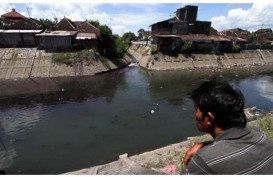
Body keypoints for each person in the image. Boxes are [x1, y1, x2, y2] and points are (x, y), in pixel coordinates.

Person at [183, 77, 273, 174]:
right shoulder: (260, 135)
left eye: (196, 110)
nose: (195, 114)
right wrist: (205, 144)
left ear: (209, 118)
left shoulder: (204, 161)